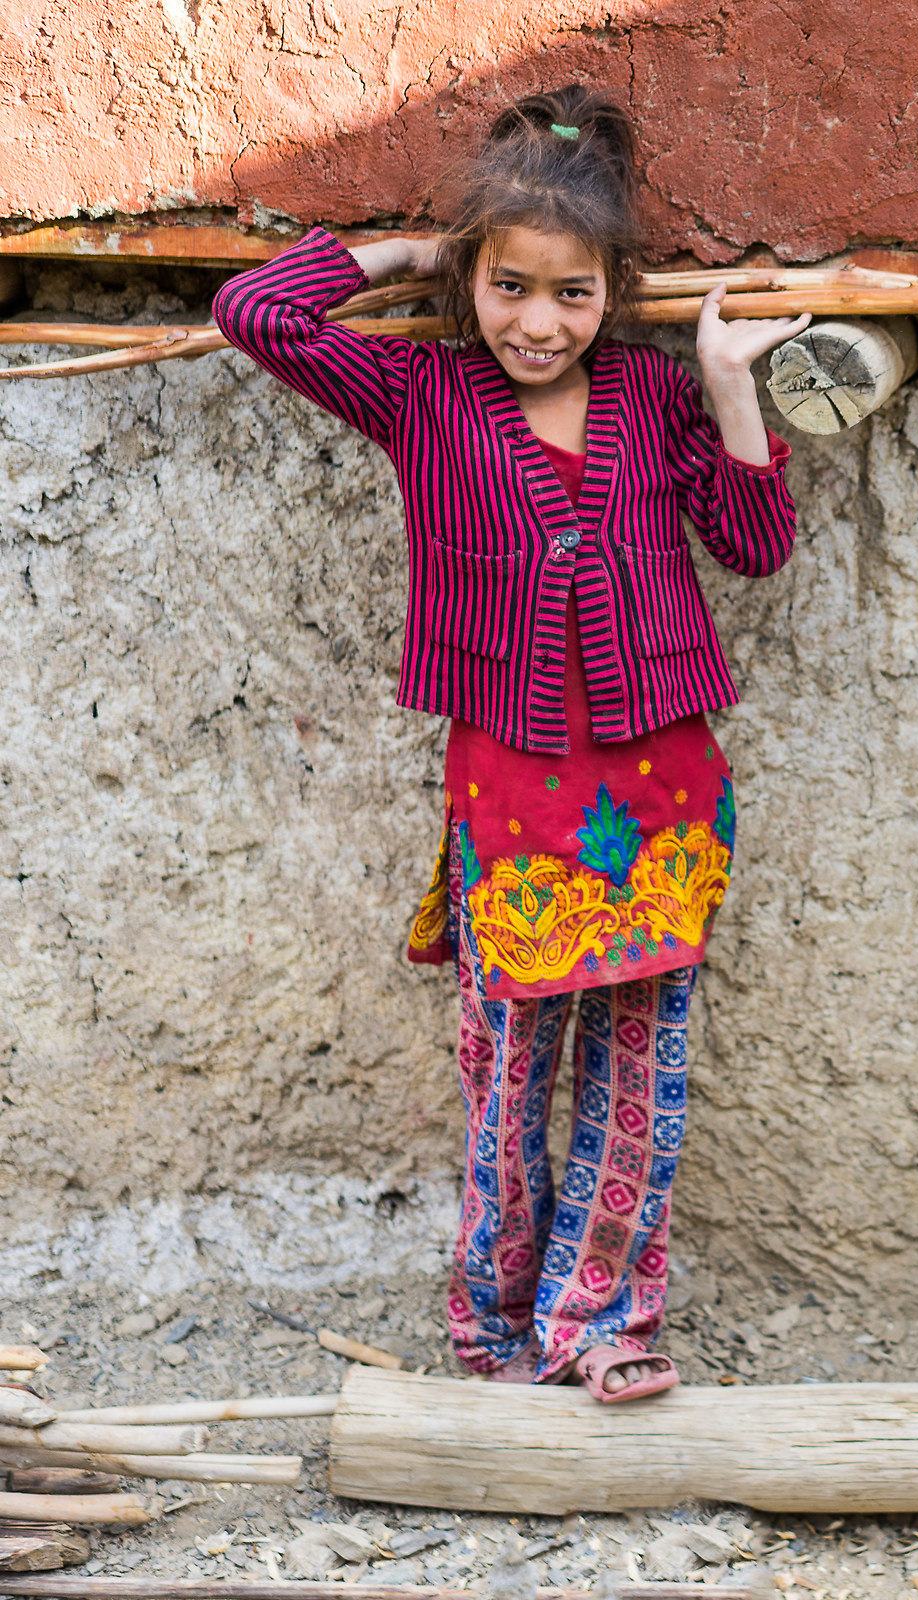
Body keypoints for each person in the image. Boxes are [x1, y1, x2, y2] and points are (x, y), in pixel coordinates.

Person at [213, 86, 803, 1402]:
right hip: (511, 796)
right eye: (510, 285)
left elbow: (757, 547)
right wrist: (414, 255)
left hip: (661, 795)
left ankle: (601, 1327)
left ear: (615, 296)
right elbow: (255, 313)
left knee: (638, 1075)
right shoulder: (419, 387)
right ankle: (493, 1326)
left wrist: (726, 387)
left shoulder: (653, 399)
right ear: (475, 279)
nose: (540, 323)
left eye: (574, 295)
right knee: (506, 1069)